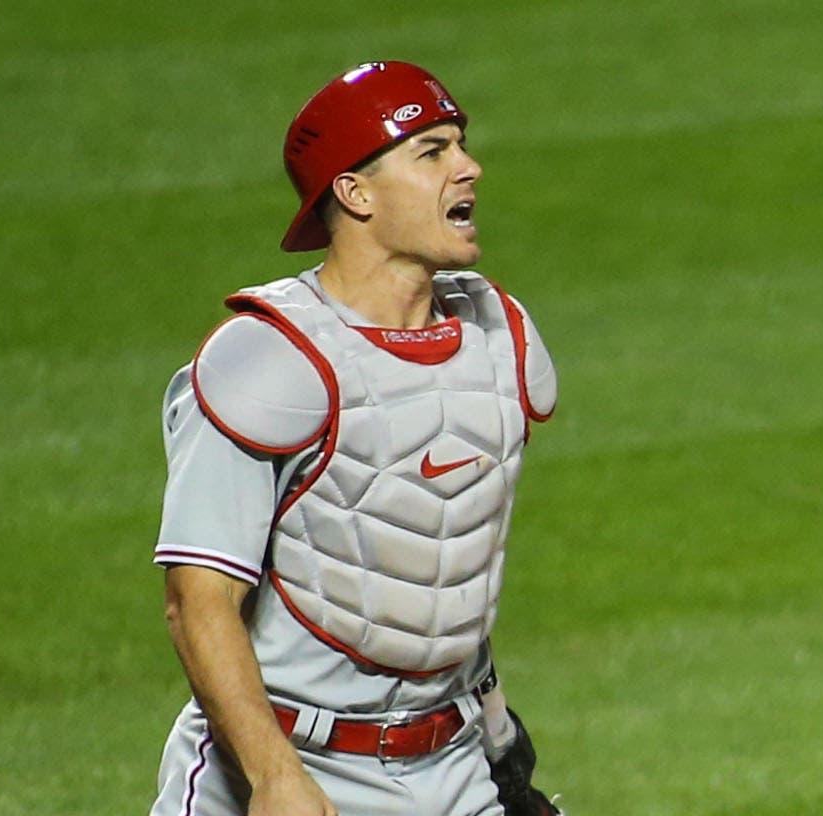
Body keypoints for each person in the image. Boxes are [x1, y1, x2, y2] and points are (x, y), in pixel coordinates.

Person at [148, 61, 562, 816]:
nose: (468, 167)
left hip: (453, 763)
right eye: (431, 151)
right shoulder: (269, 364)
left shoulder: (497, 337)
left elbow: (438, 562)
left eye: (459, 145)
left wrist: (501, 741)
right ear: (355, 192)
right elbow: (197, 602)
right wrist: (273, 779)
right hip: (283, 762)